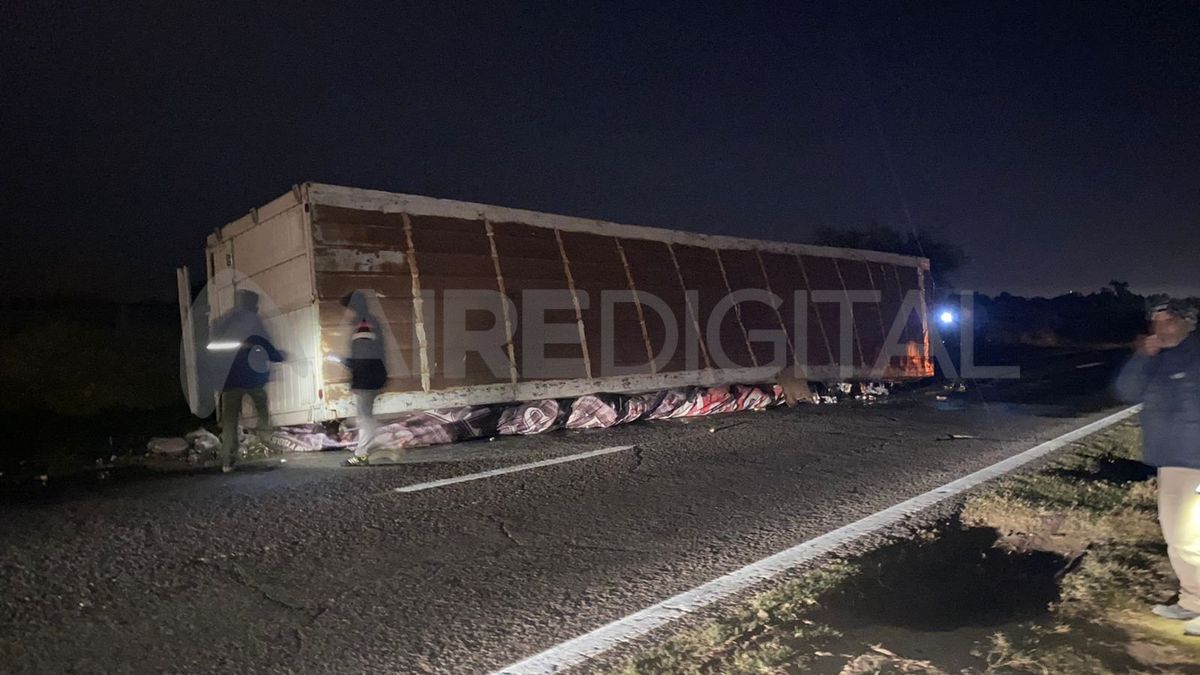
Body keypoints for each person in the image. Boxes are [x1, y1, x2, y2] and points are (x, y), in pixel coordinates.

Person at [1115, 299, 1200, 635]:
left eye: (1168, 322)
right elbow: (1126, 391)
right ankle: (1192, 601)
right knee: (1178, 539)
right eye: (1156, 323)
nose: (1160, 330)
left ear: (1187, 323)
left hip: (1197, 460)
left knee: (1193, 536)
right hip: (1170, 459)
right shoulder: (1156, 358)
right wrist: (1141, 356)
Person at [209, 289, 286, 472]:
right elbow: (264, 344)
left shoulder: (224, 322)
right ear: (252, 305)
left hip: (229, 380)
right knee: (263, 414)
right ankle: (270, 450)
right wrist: (279, 356)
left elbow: (213, 347)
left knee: (229, 421)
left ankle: (228, 461)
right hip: (253, 379)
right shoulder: (253, 320)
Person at [337, 290, 389, 466]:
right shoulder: (367, 322)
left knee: (364, 417)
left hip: (367, 377)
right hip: (372, 375)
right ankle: (369, 447)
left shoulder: (363, 325)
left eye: (347, 309)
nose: (345, 313)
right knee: (364, 416)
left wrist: (349, 364)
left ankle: (363, 453)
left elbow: (365, 354)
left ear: (354, 308)